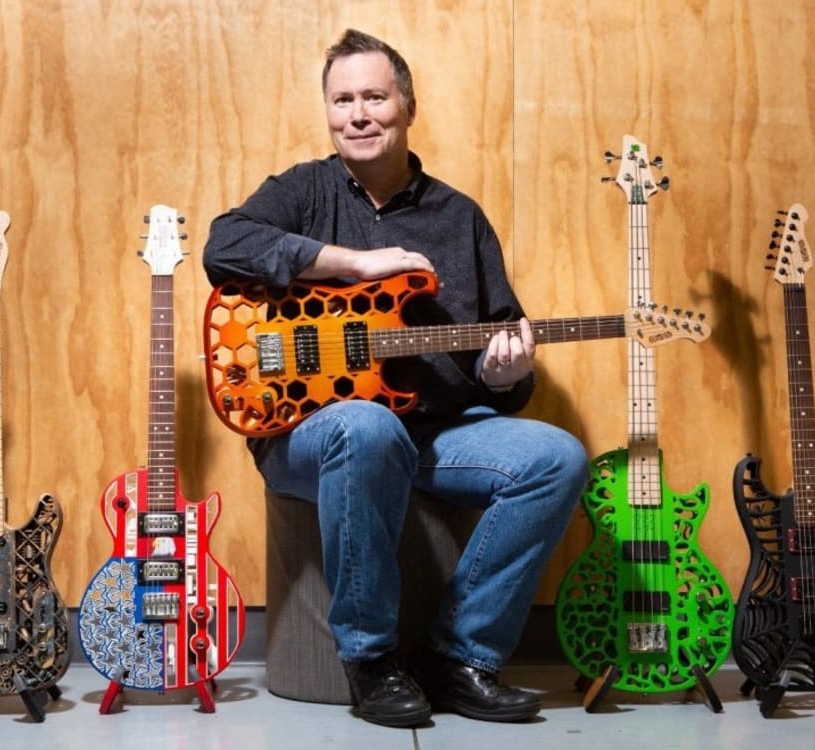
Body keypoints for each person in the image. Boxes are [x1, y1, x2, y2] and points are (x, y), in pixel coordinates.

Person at [203, 28, 587, 728]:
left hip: (438, 431)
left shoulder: (460, 217)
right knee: (365, 426)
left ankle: (461, 657)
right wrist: (353, 263)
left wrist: (507, 374)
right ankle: (371, 660)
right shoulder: (304, 190)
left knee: (556, 457)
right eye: (342, 99)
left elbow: (500, 340)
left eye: (374, 97)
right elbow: (223, 244)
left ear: (407, 106)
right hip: (309, 433)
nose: (357, 114)